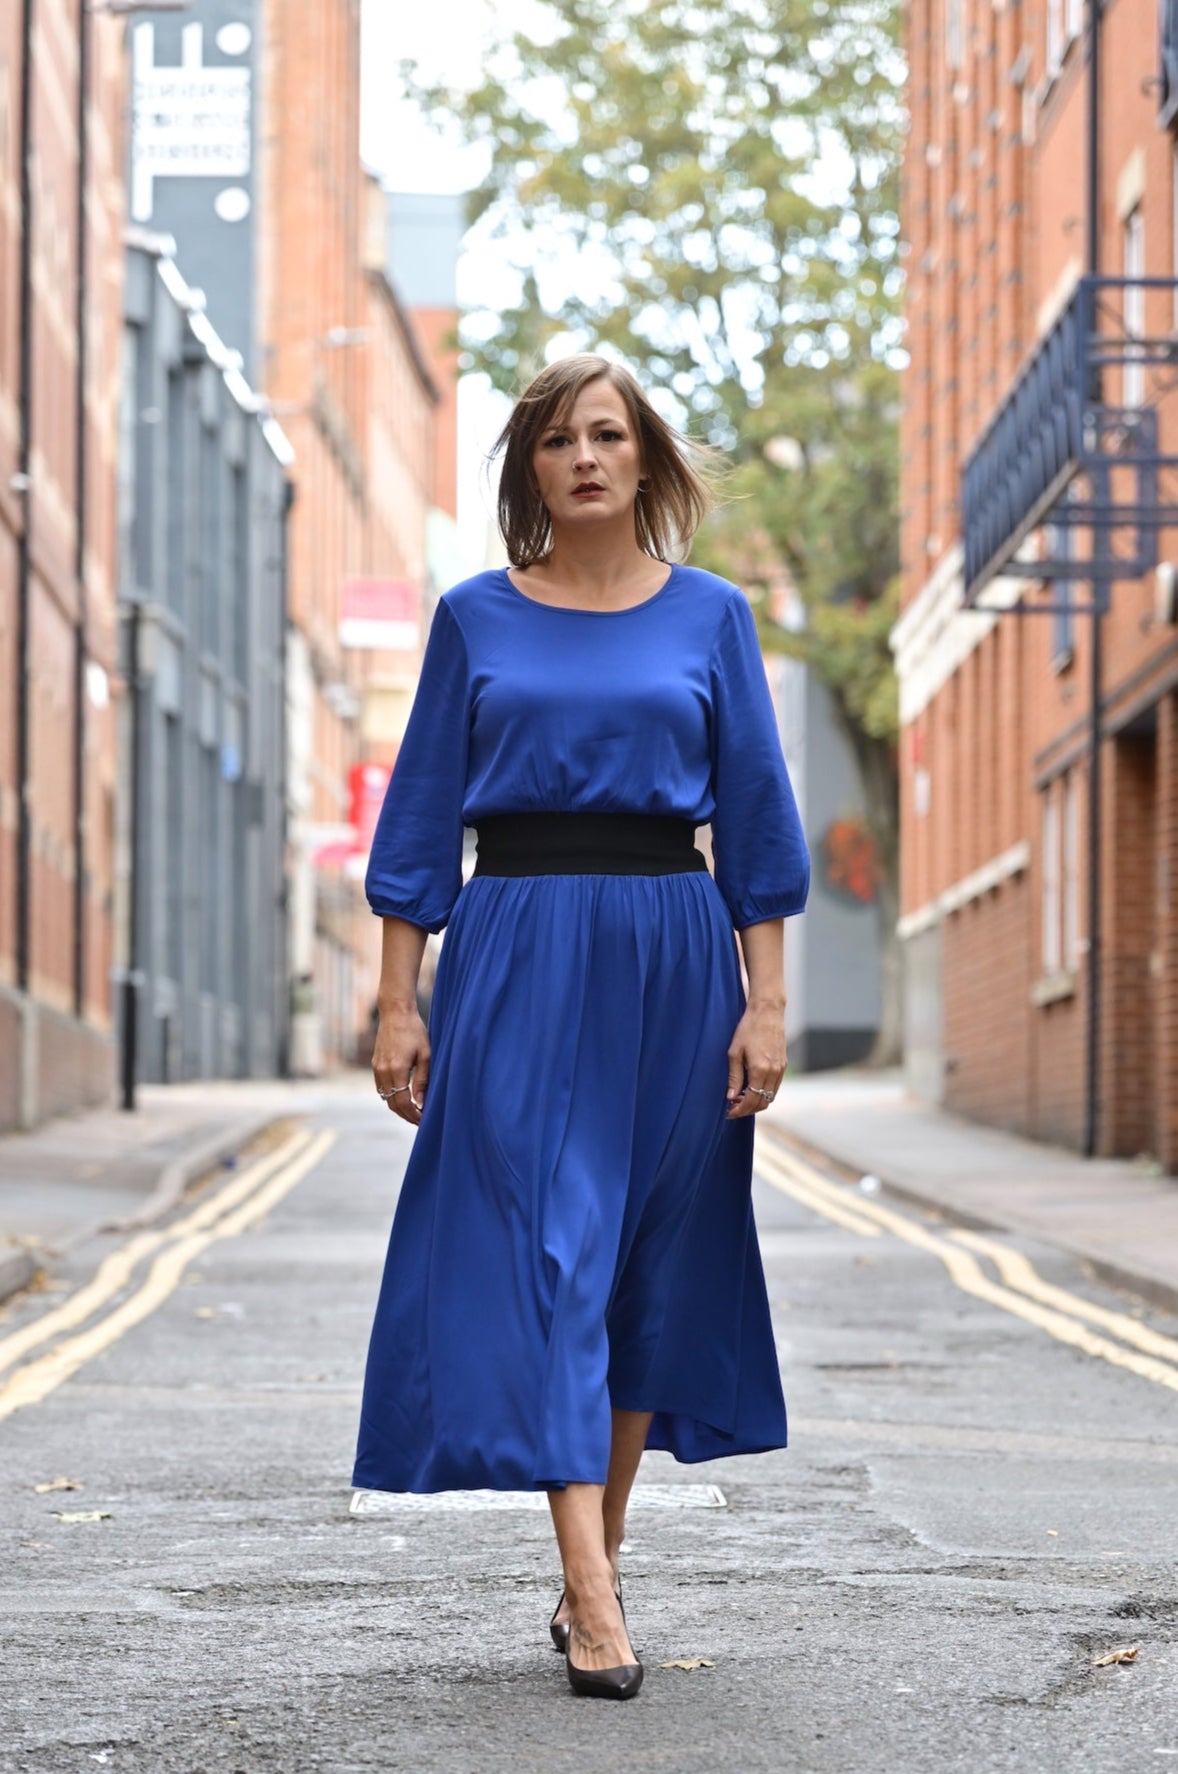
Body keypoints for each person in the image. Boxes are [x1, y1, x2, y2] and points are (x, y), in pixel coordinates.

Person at [354, 353, 810, 1701]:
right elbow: (424, 812)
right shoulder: (474, 617)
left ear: (646, 458)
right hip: (516, 948)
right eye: (557, 440)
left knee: (641, 1272)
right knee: (549, 1253)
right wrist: (397, 999)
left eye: (607, 434)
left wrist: (766, 1000)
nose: (585, 458)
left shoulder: (713, 616)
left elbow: (760, 823)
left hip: (675, 953)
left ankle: (581, 1565)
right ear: (530, 469)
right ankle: (599, 1595)